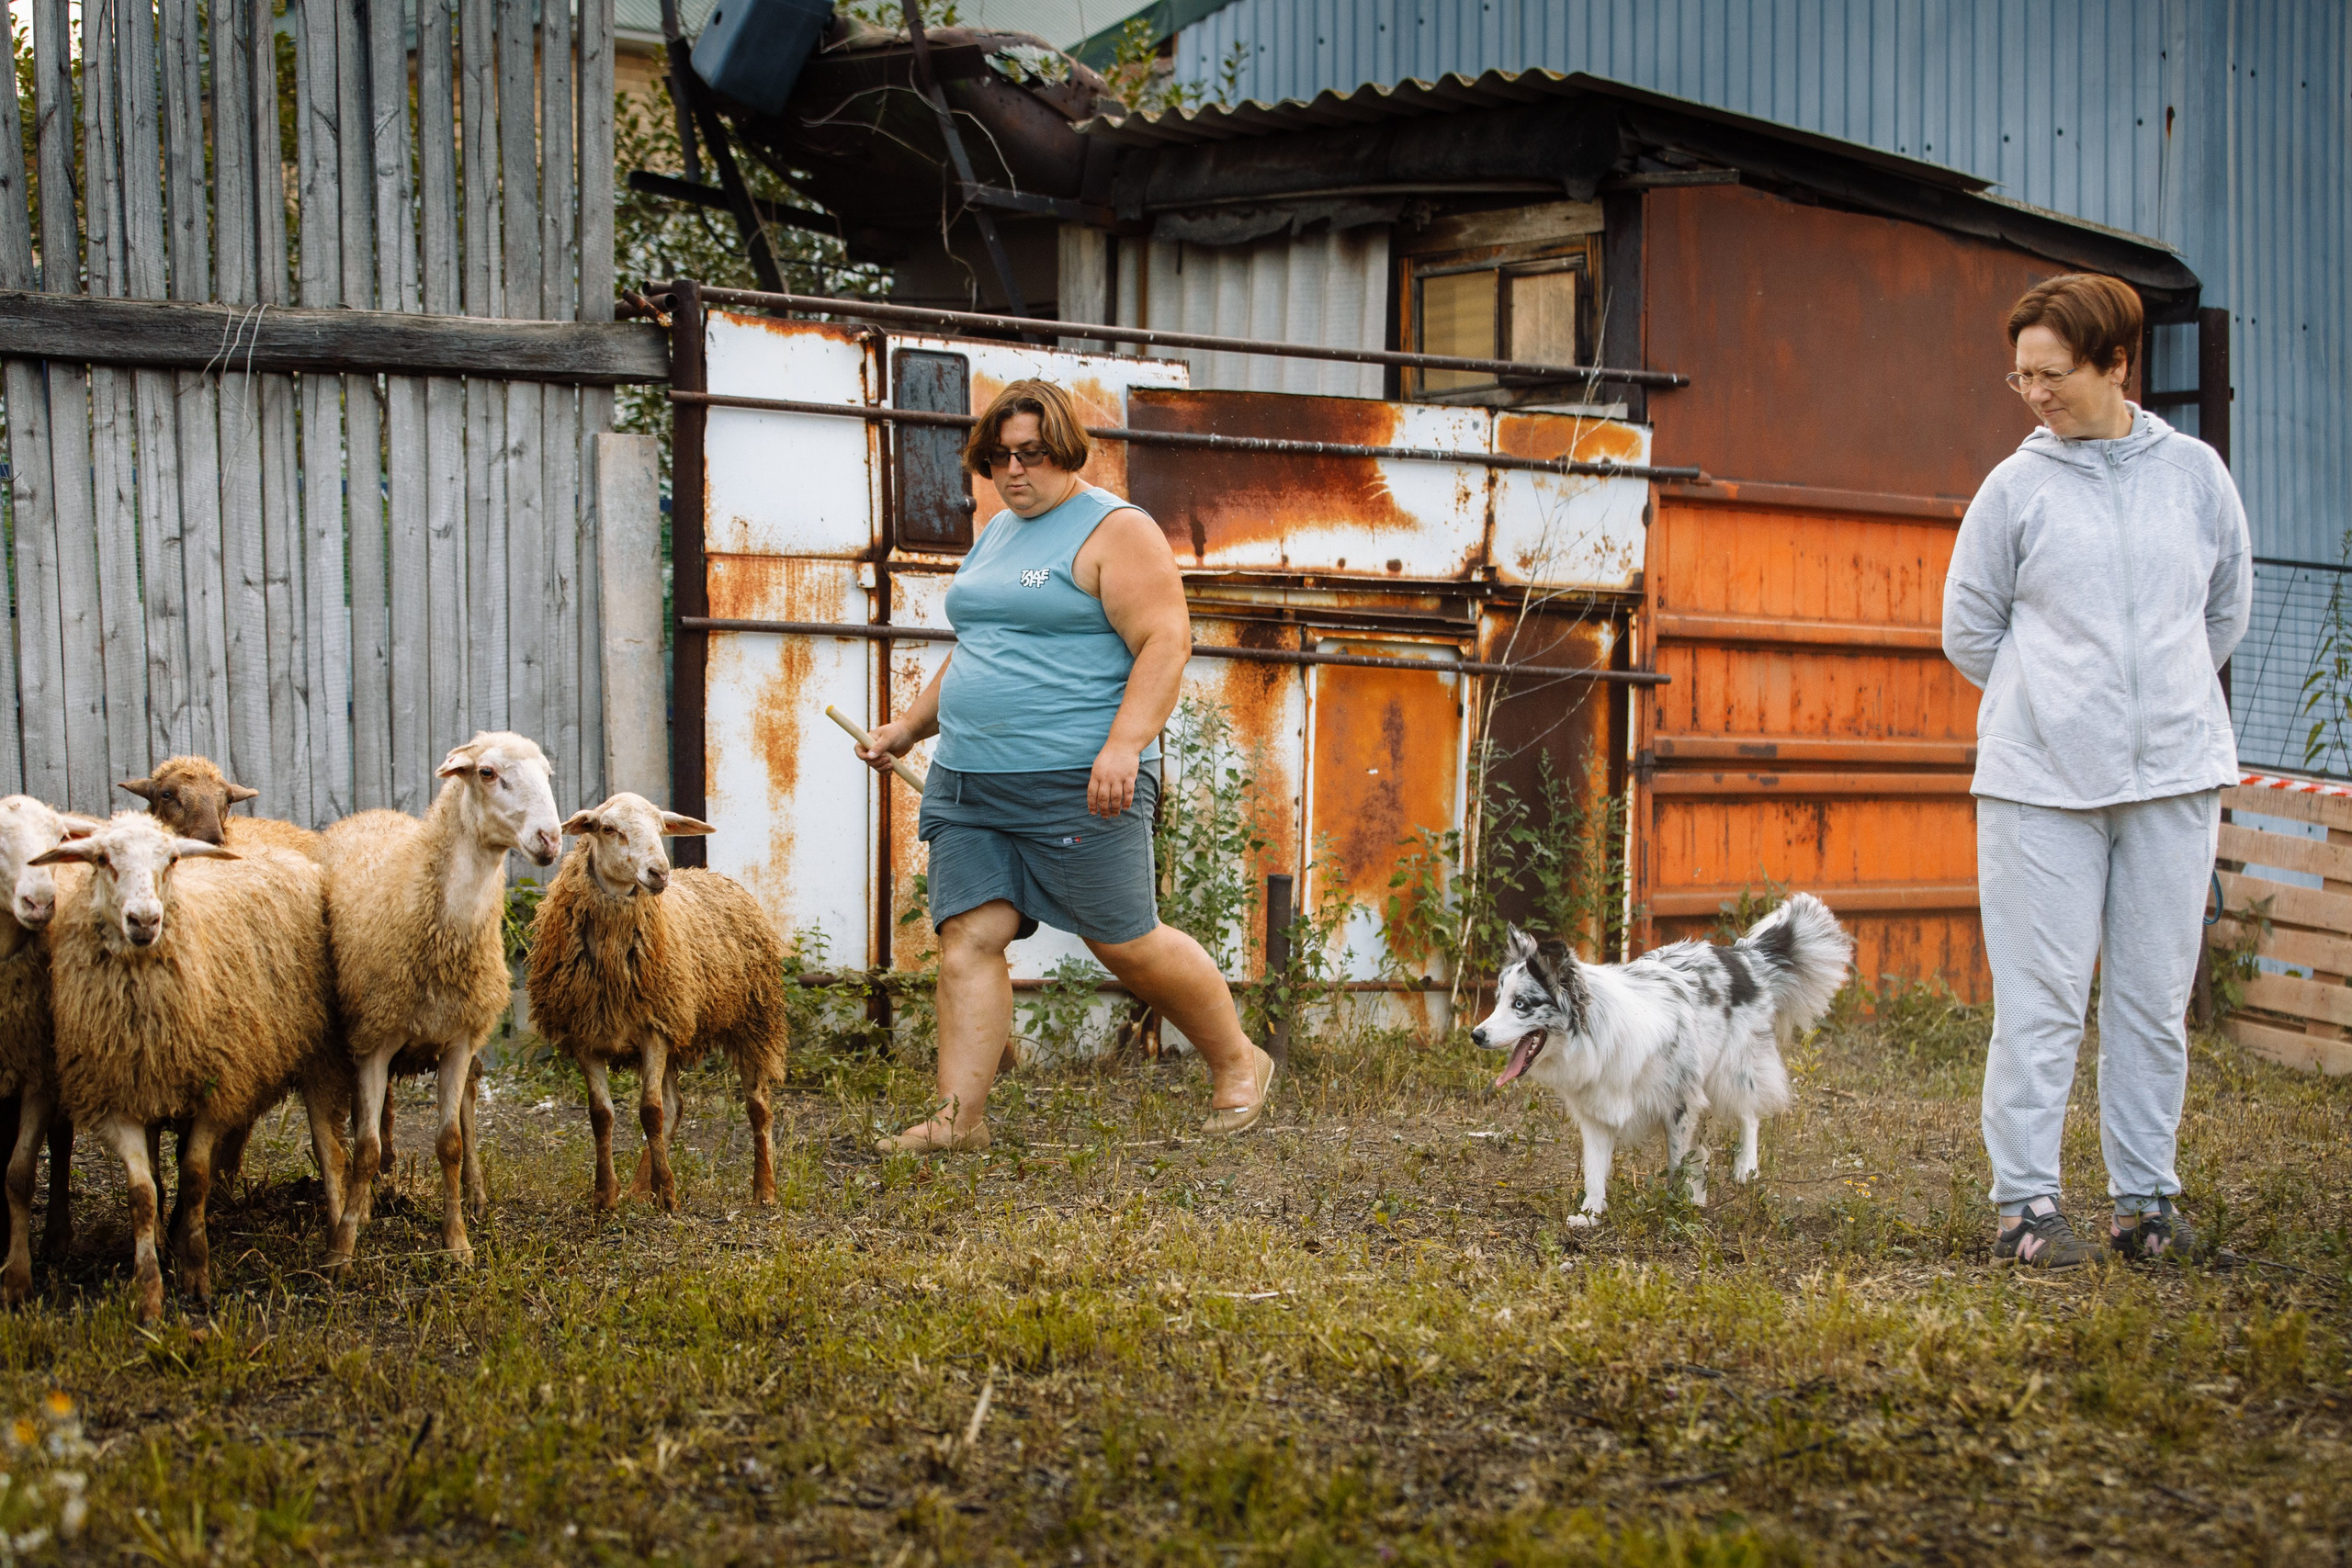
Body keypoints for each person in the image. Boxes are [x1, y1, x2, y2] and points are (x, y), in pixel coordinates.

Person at [855, 378, 1278, 1153]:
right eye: (997, 459)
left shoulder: (1115, 530)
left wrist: (1124, 746)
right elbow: (983, 649)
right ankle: (959, 1122)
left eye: (1031, 455)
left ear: (1065, 450)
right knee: (968, 939)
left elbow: (1165, 641)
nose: (1013, 473)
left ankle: (1239, 1061)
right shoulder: (999, 531)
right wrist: (911, 727)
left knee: (1125, 940)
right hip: (972, 779)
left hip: (1080, 778)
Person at [1943, 273, 2250, 1269]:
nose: (2033, 392)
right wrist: (2054, 706)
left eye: (2054, 373)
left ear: (2117, 364)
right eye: (2019, 375)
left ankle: (2144, 1206)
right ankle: (2024, 1210)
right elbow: (1969, 628)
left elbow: (2222, 613)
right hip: (2038, 789)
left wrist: (2152, 706)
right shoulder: (2014, 488)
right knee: (2040, 1005)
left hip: (2171, 778)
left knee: (2152, 1002)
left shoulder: (2195, 475)